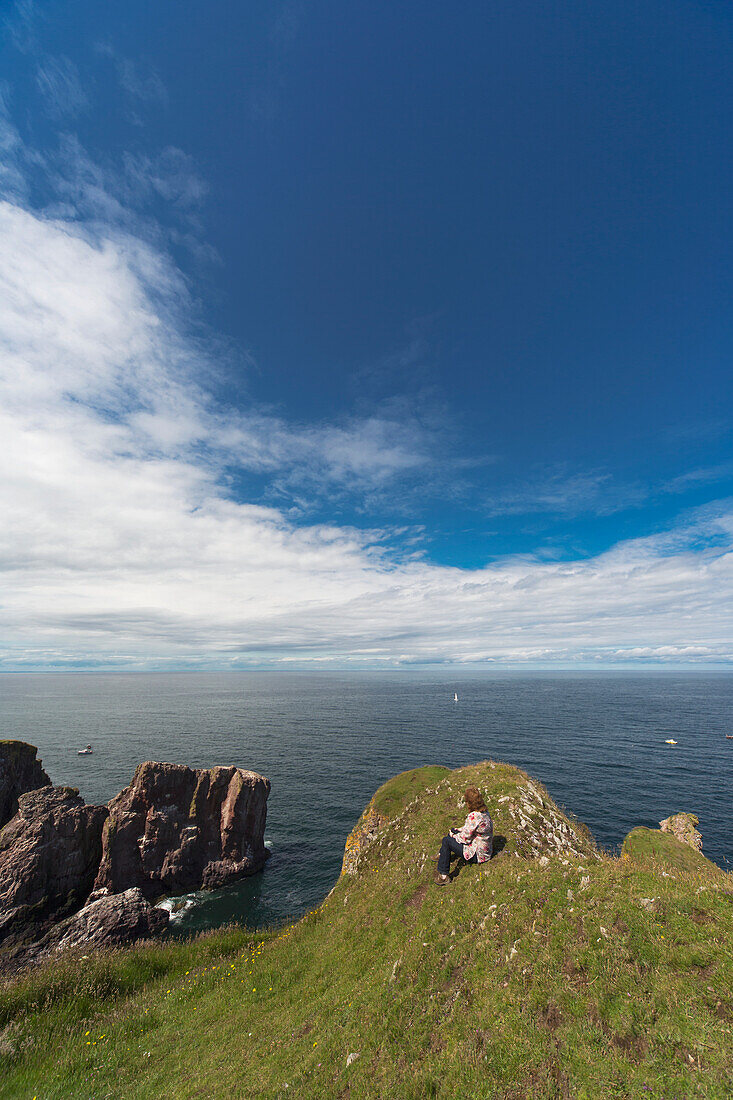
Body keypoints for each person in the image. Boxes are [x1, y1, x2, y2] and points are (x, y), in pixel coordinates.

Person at [435, 787, 493, 885]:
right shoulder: (484, 812)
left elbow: (465, 839)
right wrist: (457, 831)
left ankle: (444, 875)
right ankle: (442, 855)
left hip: (477, 854)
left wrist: (453, 835)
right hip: (486, 851)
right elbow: (471, 829)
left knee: (446, 840)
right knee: (453, 832)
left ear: (469, 802)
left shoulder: (474, 817)